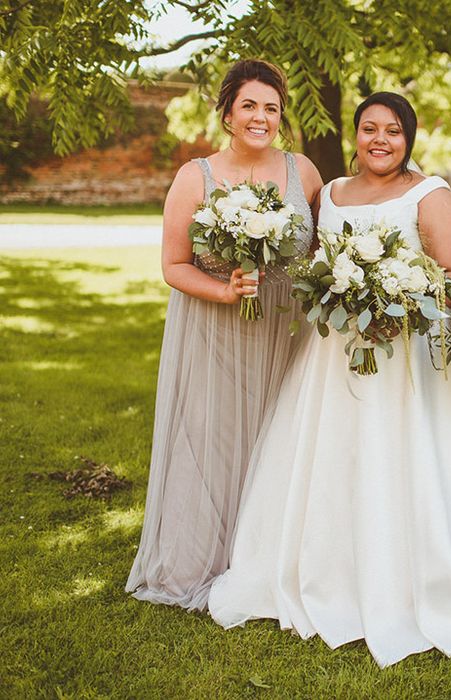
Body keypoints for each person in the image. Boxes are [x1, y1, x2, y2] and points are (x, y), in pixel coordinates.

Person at [207, 92, 451, 667]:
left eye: (393, 130)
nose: (380, 139)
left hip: (410, 356)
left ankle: (430, 576)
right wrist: (347, 292)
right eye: (369, 129)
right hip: (337, 354)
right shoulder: (334, 194)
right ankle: (330, 570)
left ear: (408, 138)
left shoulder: (430, 192)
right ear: (357, 135)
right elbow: (321, 265)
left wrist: (396, 300)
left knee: (408, 459)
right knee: (334, 456)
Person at [126, 59, 322, 610]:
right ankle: (204, 557)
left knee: (280, 436)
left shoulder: (302, 172)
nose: (261, 117)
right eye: (250, 106)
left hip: (287, 326)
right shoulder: (196, 177)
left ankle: (269, 557)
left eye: (272, 108)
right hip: (215, 327)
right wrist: (224, 291)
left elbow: (321, 250)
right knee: (214, 439)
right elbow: (173, 264)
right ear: (228, 112)